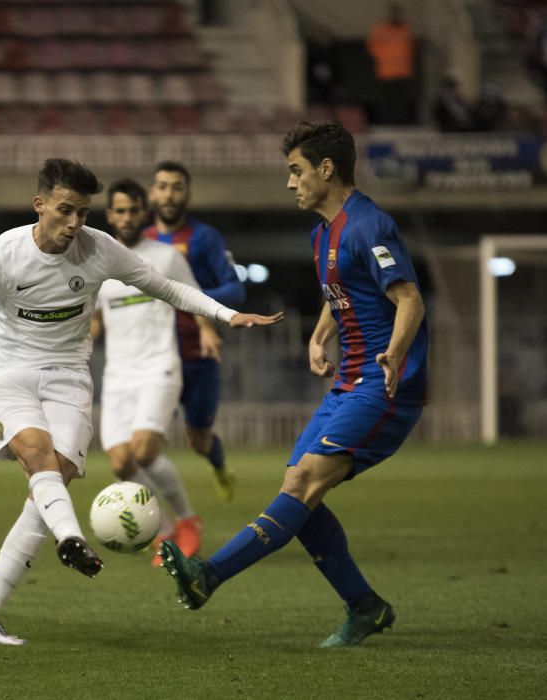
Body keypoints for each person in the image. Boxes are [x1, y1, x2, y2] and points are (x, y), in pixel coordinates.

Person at [0, 158, 282, 646]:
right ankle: (72, 538)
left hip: (70, 379)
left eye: (83, 213)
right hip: (11, 374)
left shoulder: (99, 250)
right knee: (36, 455)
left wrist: (226, 314)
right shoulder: (0, 254)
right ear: (40, 206)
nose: (75, 223)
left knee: (49, 482)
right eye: (65, 210)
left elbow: (166, 286)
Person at [160, 121, 428, 649]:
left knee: (303, 483)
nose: (290, 183)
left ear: (326, 170)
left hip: (384, 385)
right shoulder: (323, 232)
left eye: (296, 170)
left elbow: (410, 300)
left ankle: (207, 575)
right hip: (347, 382)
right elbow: (340, 291)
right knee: (297, 495)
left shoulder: (368, 226)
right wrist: (319, 338)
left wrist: (394, 355)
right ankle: (365, 607)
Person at [92, 178, 221, 563]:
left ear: (143, 213)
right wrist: (80, 344)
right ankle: (164, 535)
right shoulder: (99, 262)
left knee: (145, 452)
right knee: (120, 463)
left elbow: (194, 297)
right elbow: (95, 318)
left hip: (159, 368)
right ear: (110, 214)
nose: (127, 217)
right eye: (120, 210)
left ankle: (187, 520)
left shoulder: (165, 258)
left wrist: (208, 330)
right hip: (118, 376)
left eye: (134, 210)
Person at [144, 161, 245, 501]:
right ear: (152, 193)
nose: (169, 194)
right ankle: (151, 515)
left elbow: (235, 289)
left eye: (176, 187)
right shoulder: (140, 243)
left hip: (198, 357)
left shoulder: (205, 239)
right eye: (162, 186)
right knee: (145, 440)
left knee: (199, 441)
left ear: (187, 194)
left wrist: (194, 301)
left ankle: (219, 467)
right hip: (154, 358)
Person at [366, 3, 416, 124]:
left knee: (401, 101)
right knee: (387, 101)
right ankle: (387, 122)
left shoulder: (406, 30)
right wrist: (385, 58)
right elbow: (372, 47)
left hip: (402, 72)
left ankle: (401, 122)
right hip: (386, 72)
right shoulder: (380, 30)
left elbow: (410, 49)